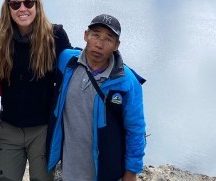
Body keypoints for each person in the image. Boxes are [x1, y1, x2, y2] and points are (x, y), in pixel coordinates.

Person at [47, 14, 146, 181]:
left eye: (108, 39)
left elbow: (135, 128)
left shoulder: (126, 81)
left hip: (106, 169)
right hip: (70, 168)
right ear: (86, 35)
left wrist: (131, 171)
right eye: (96, 35)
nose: (99, 44)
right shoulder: (67, 61)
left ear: (117, 45)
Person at [0, 0, 71, 181]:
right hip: (9, 127)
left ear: (37, 5)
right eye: (15, 4)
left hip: (42, 129)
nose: (22, 9)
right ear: (8, 8)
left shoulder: (55, 36)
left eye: (28, 2)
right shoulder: (1, 36)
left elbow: (70, 75)